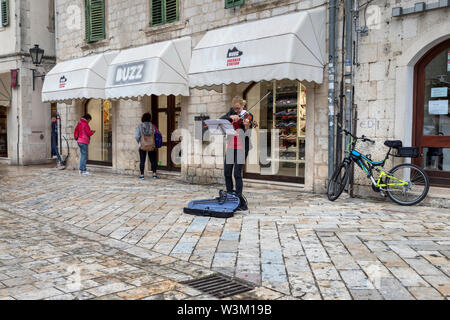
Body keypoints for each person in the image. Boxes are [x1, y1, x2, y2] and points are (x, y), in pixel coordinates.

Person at [220, 96, 257, 211]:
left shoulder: (248, 115)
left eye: (238, 108)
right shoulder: (231, 112)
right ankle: (230, 195)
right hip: (231, 146)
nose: (236, 111)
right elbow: (222, 118)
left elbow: (247, 131)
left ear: (243, 106)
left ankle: (240, 200)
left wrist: (247, 125)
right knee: (227, 172)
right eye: (235, 109)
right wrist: (231, 116)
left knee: (237, 173)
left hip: (241, 147)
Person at [135, 112, 159, 180]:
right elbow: (155, 135)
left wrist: (139, 142)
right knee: (153, 160)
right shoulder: (152, 126)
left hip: (142, 146)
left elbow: (137, 136)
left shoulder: (140, 126)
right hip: (151, 145)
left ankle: (142, 175)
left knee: (142, 161)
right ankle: (154, 174)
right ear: (149, 118)